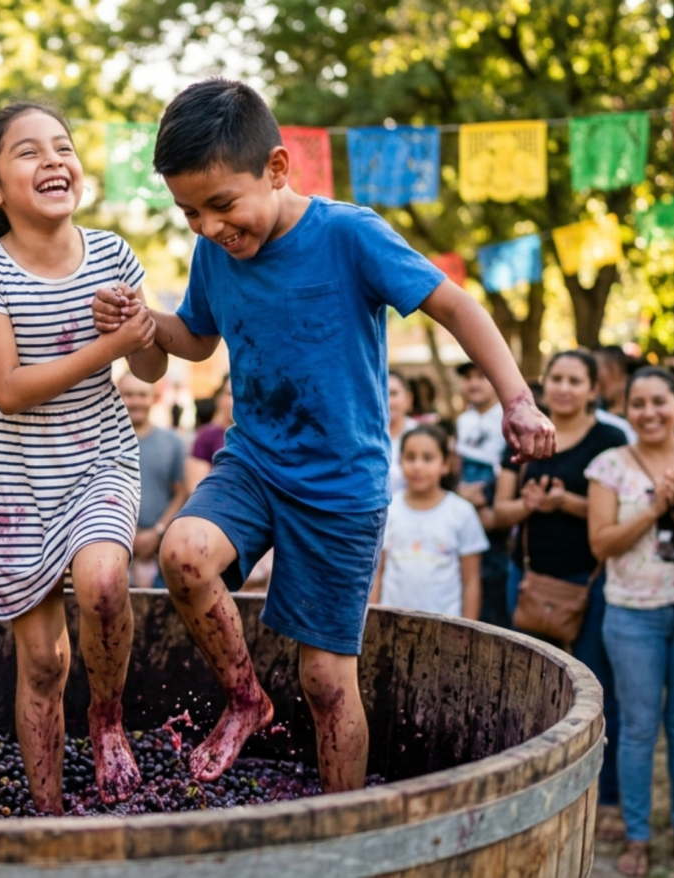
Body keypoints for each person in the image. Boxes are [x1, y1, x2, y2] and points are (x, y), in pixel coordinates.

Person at [91, 79, 554, 793]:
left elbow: (458, 305)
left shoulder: (349, 233)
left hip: (340, 483)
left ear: (277, 169)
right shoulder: (216, 252)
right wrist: (146, 324)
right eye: (189, 212)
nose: (210, 226)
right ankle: (245, 697)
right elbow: (197, 338)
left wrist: (518, 400)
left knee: (326, 680)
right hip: (253, 462)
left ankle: (343, 827)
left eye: (221, 205)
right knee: (182, 553)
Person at [0, 101, 163, 813]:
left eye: (63, 147)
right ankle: (49, 816)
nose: (53, 161)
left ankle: (106, 715)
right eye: (28, 152)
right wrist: (106, 346)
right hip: (15, 476)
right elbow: (7, 389)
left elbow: (155, 369)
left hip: (98, 453)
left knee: (105, 583)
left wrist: (136, 332)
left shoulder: (111, 254)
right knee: (42, 660)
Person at [586, 366, 674, 877]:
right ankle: (638, 837)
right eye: (638, 403)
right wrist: (654, 510)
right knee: (640, 728)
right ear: (626, 409)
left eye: (659, 402)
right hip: (631, 614)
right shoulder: (609, 465)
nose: (649, 413)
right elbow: (600, 544)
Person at [489, 350, 628, 838]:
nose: (565, 388)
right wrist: (525, 506)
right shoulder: (520, 429)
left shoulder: (611, 439)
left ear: (593, 388)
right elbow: (496, 512)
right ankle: (533, 787)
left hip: (588, 583)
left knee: (596, 690)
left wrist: (566, 502)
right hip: (527, 577)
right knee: (532, 685)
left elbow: (622, 509)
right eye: (557, 379)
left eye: (576, 380)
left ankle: (604, 795)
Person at [371, 425, 488, 618]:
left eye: (428, 458)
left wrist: (466, 633)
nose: (418, 466)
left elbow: (471, 581)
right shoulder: (388, 510)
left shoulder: (461, 513)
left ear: (445, 464)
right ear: (399, 461)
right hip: (390, 625)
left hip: (446, 628)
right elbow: (377, 573)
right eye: (410, 457)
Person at [454, 361, 512, 627]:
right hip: (463, 513)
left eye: (482, 376)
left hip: (495, 523)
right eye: (469, 378)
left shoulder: (508, 418)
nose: (474, 383)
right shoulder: (463, 420)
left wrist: (486, 500)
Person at [119, 373, 189, 588]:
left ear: (153, 398)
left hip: (160, 550)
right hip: (114, 543)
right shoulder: (103, 442)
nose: (135, 401)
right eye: (128, 395)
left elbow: (181, 492)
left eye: (142, 395)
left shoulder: (173, 442)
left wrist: (157, 532)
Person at [186, 375, 232, 491]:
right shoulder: (207, 436)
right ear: (219, 399)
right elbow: (195, 488)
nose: (235, 400)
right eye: (230, 394)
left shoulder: (261, 436)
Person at [387, 373, 419, 495]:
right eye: (382, 393)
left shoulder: (422, 434)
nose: (387, 401)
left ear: (408, 399)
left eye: (393, 393)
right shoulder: (365, 437)